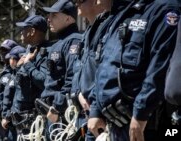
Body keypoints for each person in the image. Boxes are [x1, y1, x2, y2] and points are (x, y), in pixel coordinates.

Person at [87, 0, 181, 141]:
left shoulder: (165, 8)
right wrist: (95, 110)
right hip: (114, 123)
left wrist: (140, 115)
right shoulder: (124, 12)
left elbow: (159, 67)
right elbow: (104, 66)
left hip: (141, 125)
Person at [70, 0, 113, 140]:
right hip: (85, 109)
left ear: (95, 2)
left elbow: (104, 70)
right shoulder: (88, 31)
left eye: (80, 1)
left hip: (101, 111)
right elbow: (78, 67)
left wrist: (95, 107)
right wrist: (78, 93)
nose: (77, 3)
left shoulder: (109, 26)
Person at [0, 39, 18, 141]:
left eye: (5, 51)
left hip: (9, 122)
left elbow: (13, 97)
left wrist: (7, 116)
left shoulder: (15, 72)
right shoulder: (3, 72)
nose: (2, 54)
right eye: (1, 51)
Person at [1, 46, 26, 141]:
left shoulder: (21, 75)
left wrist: (7, 116)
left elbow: (16, 98)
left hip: (15, 119)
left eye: (11, 58)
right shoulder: (14, 74)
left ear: (15, 60)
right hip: (10, 120)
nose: (9, 61)